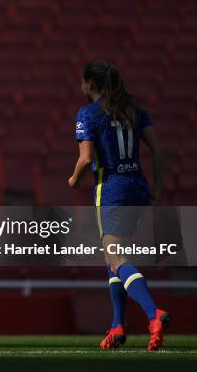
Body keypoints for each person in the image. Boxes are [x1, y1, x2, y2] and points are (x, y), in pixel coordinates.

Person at [68, 60, 169, 351]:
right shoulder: (136, 111)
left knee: (115, 257)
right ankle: (117, 325)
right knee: (114, 256)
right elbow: (158, 152)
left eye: (83, 82)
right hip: (138, 187)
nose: (81, 86)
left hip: (111, 190)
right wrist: (157, 189)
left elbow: (86, 159)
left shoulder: (88, 114)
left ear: (92, 84)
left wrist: (74, 179)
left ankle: (154, 314)